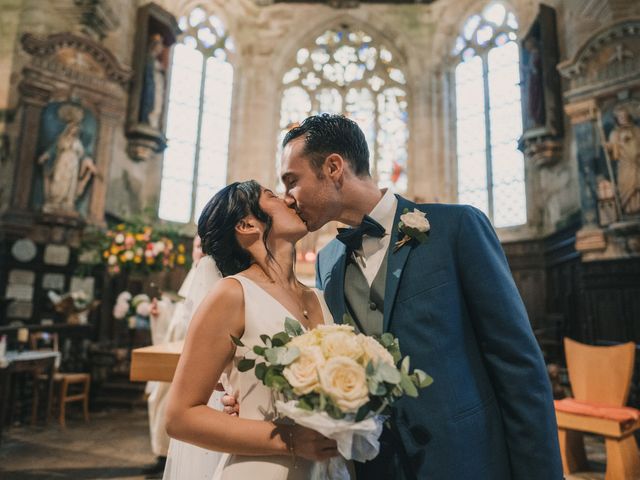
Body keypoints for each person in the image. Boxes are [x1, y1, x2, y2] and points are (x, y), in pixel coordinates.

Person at [275, 113, 563, 479]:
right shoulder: (328, 261)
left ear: (333, 167)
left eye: (291, 181)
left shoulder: (457, 228)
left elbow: (518, 367)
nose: (287, 198)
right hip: (376, 466)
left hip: (466, 460)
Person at [164, 181, 344, 479]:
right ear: (247, 224)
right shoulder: (232, 295)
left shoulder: (320, 298)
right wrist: (292, 440)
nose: (289, 199)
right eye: (273, 196)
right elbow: (179, 417)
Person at [143, 235, 207, 478]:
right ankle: (162, 453)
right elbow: (179, 319)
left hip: (192, 359)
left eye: (203, 246)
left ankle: (174, 455)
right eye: (196, 247)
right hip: (174, 354)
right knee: (159, 401)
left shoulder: (213, 275)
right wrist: (160, 313)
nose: (199, 251)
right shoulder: (191, 275)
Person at [38, 120, 96, 213]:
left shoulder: (77, 142)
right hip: (62, 162)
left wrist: (90, 164)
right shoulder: (62, 139)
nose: (75, 131)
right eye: (73, 129)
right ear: (69, 129)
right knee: (58, 179)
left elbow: (84, 155)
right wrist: (45, 156)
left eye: (77, 130)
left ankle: (66, 203)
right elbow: (53, 149)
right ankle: (55, 201)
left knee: (70, 183)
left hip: (73, 164)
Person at [607, 104, 640, 215]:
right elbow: (615, 156)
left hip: (637, 163)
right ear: (617, 120)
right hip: (624, 166)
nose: (623, 119)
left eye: (624, 116)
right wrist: (610, 148)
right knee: (626, 185)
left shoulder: (636, 130)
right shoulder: (614, 134)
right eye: (620, 117)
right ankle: (629, 209)